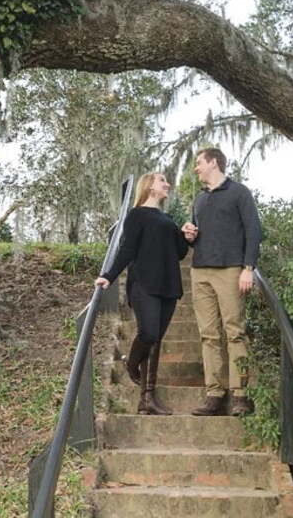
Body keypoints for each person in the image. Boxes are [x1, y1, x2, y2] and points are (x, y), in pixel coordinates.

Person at [96, 172, 189, 415]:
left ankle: (147, 399)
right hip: (144, 284)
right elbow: (127, 250)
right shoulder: (136, 215)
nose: (167, 184)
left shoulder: (168, 218)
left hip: (169, 286)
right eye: (162, 181)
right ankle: (131, 362)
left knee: (156, 340)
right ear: (149, 187)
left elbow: (179, 253)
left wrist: (186, 236)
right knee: (148, 333)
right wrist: (109, 275)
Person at [180, 147, 262, 417]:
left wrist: (248, 268)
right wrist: (189, 234)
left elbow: (253, 231)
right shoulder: (200, 199)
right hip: (200, 270)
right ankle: (214, 394)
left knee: (234, 331)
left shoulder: (239, 192)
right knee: (208, 335)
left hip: (230, 270)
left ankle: (241, 394)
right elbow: (195, 232)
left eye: (199, 163)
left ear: (214, 163)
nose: (196, 168)